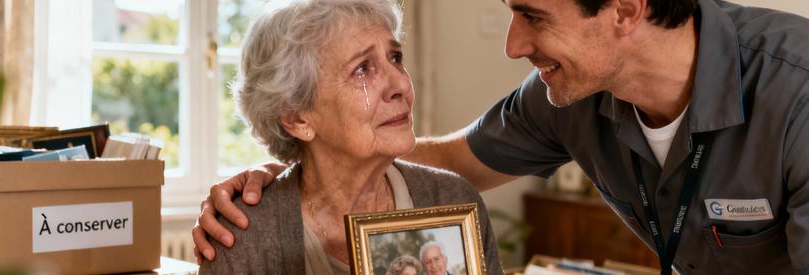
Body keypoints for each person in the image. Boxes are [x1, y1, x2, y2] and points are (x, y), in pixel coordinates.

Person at [195, 0, 809, 273]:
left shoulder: (797, 95)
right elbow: (452, 157)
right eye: (362, 68)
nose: (513, 44)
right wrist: (290, 171)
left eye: (534, 16)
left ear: (626, 9)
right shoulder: (564, 96)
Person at [196, 0, 503, 274]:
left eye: (395, 57)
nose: (401, 85)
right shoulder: (243, 235)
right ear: (297, 117)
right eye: (362, 69)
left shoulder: (454, 201)